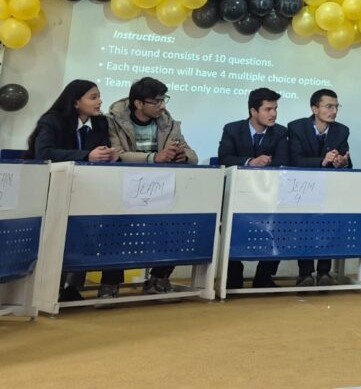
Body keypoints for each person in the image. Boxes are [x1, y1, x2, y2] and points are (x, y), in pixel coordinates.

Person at [25, 80, 121, 302]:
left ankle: (72, 287)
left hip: (86, 190)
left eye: (99, 96)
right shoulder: (52, 120)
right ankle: (51, 288)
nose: (100, 101)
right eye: (93, 97)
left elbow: (99, 152)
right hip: (50, 189)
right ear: (76, 102)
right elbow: (44, 153)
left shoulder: (100, 123)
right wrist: (87, 156)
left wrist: (109, 156)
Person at [104, 77, 198, 297]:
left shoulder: (168, 122)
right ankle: (110, 283)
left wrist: (183, 156)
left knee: (178, 226)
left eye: (164, 100)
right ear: (138, 103)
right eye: (156, 101)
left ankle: (158, 278)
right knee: (115, 230)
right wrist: (153, 158)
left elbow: (192, 154)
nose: (162, 106)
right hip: (123, 187)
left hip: (161, 190)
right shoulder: (112, 121)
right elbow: (116, 154)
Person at [219, 88, 289, 289]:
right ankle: (234, 274)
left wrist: (266, 164)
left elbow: (284, 161)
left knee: (281, 225)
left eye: (275, 109)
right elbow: (225, 158)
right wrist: (250, 162)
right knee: (229, 227)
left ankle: (264, 276)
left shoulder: (281, 132)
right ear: (253, 111)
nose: (273, 114)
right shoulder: (232, 129)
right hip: (237, 194)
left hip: (269, 194)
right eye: (268, 109)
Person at [287, 88, 353, 287]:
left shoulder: (342, 130)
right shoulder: (296, 127)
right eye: (329, 106)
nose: (334, 111)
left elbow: (347, 160)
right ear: (315, 109)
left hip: (329, 188)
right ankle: (305, 273)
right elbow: (295, 160)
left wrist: (342, 163)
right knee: (304, 228)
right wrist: (322, 161)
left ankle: (325, 271)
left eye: (336, 106)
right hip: (302, 188)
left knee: (329, 227)